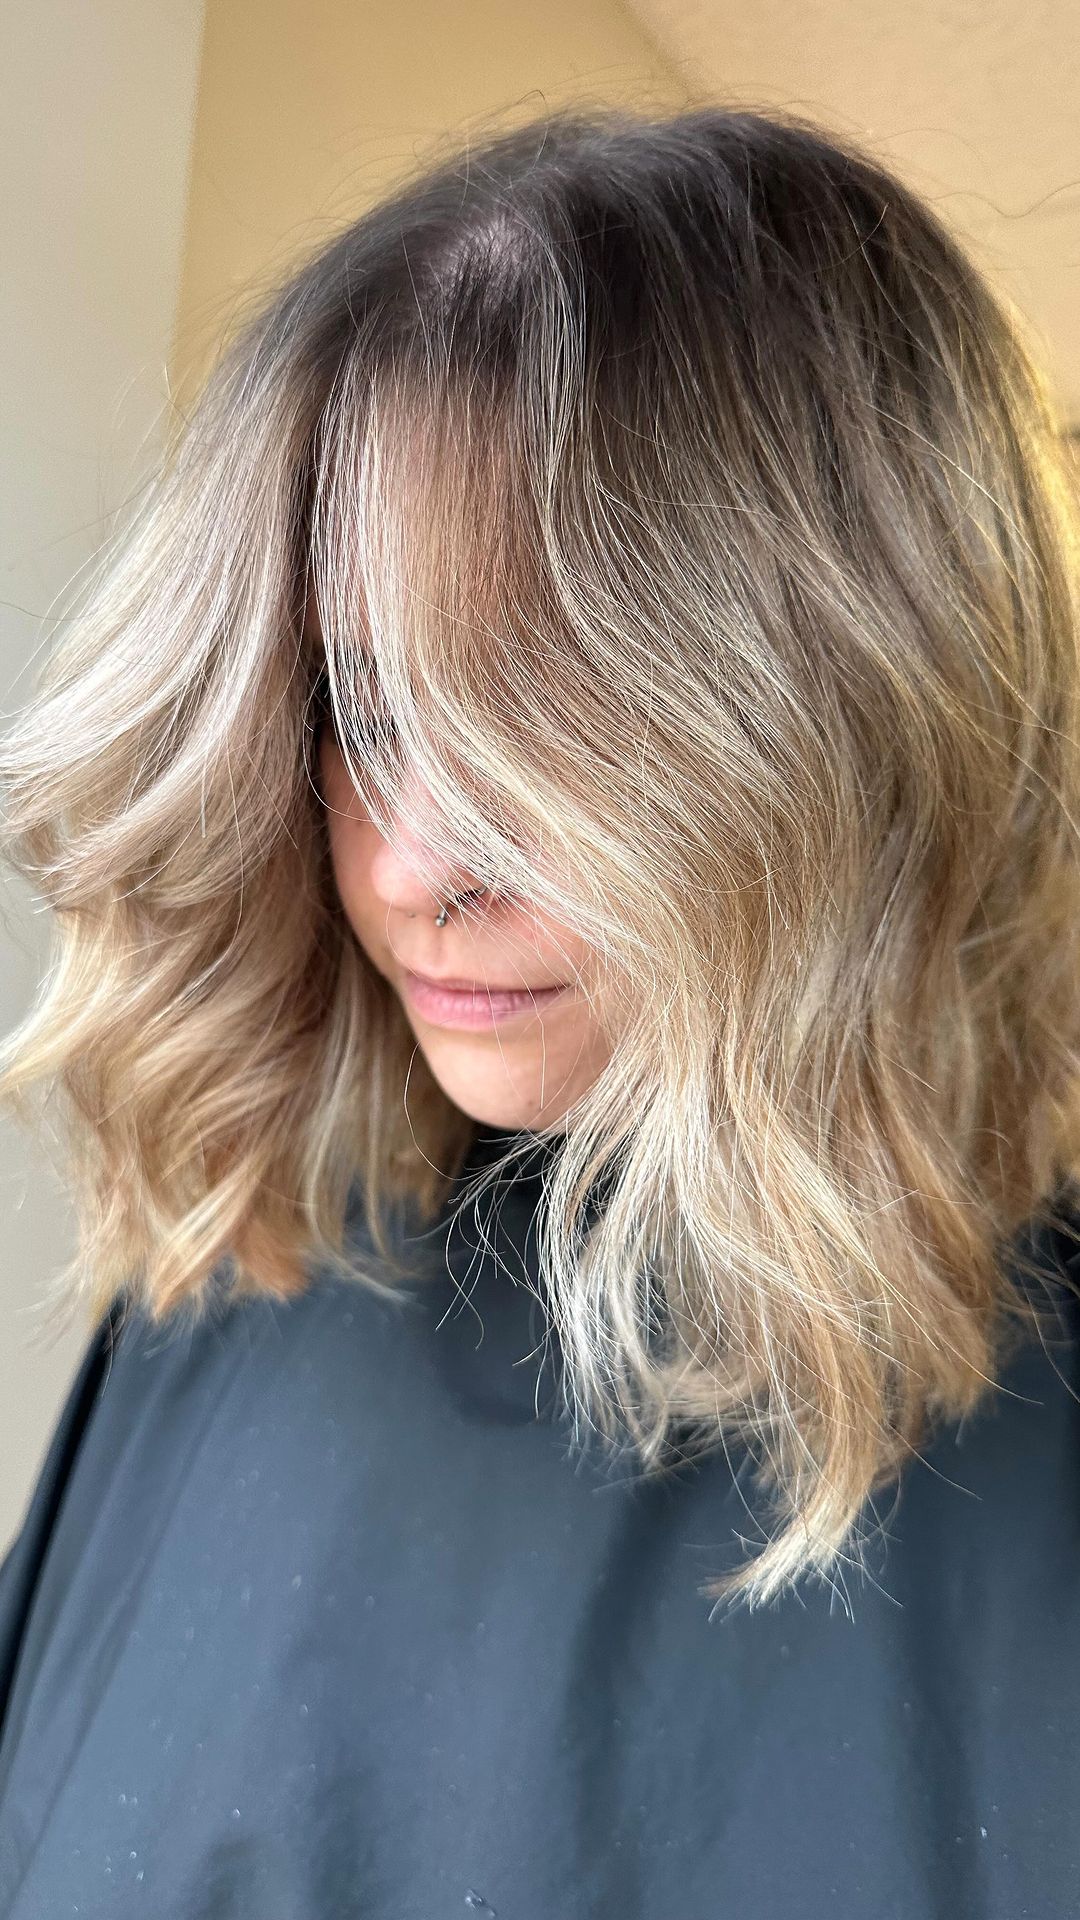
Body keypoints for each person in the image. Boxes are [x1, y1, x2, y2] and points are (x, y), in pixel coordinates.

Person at [0, 99, 1079, 1920]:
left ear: (863, 737)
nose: (419, 864)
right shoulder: (236, 1290)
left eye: (557, 737)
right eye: (367, 706)